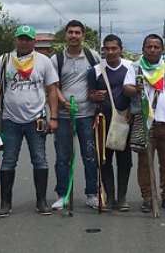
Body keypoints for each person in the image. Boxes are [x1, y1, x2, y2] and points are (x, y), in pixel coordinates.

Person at [0, 25, 59, 217]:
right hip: (11, 119)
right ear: (16, 40)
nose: (24, 42)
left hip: (36, 119)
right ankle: (5, 202)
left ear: (34, 41)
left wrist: (54, 116)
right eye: (21, 38)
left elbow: (52, 89)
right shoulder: (4, 60)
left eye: (28, 39)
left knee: (40, 159)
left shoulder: (43, 61)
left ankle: (42, 201)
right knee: (8, 160)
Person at [50, 20, 102, 210]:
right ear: (65, 35)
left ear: (83, 35)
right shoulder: (56, 59)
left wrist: (97, 101)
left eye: (77, 32)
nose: (74, 36)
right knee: (63, 157)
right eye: (70, 32)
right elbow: (52, 86)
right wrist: (63, 102)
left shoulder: (92, 56)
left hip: (87, 115)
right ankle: (62, 194)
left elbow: (100, 80)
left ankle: (91, 194)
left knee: (90, 155)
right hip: (64, 116)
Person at [130, 34, 165, 212]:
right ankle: (147, 198)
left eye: (156, 47)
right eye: (149, 47)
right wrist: (134, 88)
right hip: (145, 123)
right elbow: (126, 88)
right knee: (145, 163)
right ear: (143, 49)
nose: (152, 50)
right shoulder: (135, 67)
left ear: (162, 49)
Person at [87, 34, 135, 211]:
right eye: (107, 48)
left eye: (114, 48)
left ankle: (122, 198)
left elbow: (135, 92)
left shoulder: (130, 67)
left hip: (124, 120)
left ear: (121, 49)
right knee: (104, 160)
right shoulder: (95, 70)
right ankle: (109, 195)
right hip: (102, 121)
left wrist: (132, 111)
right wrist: (94, 96)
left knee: (125, 160)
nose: (110, 52)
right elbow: (89, 94)